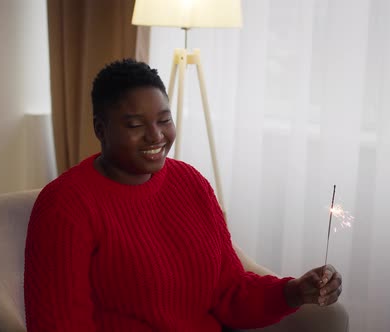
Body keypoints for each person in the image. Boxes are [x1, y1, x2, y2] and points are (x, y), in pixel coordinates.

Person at [24, 59, 342, 331]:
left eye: (164, 120)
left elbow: (230, 292)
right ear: (100, 129)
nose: (156, 135)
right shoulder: (65, 205)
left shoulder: (190, 182)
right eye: (135, 124)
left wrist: (294, 291)